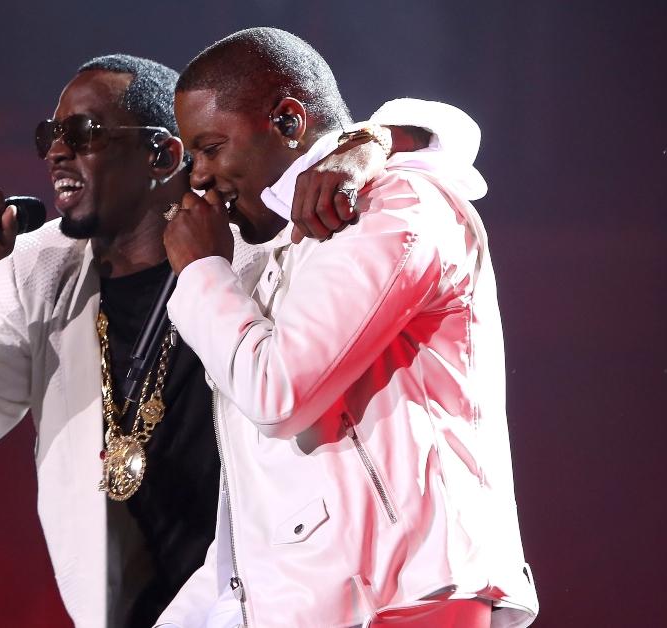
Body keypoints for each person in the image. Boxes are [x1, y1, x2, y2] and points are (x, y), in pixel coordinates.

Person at [0, 54, 417, 627]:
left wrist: (367, 145)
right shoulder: (40, 273)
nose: (55, 152)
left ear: (162, 155)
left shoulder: (259, 251)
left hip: (271, 606)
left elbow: (427, 142)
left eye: (81, 133)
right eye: (48, 137)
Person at [158, 28, 539, 627]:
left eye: (210, 147)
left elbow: (277, 393)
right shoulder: (272, 253)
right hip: (319, 604)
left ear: (287, 120)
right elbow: (261, 505)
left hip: (410, 598)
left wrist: (203, 270)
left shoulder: (394, 204)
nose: (198, 177)